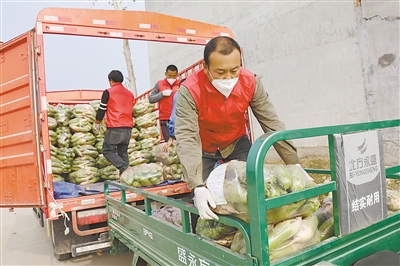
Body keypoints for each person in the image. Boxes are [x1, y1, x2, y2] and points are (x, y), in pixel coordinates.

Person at [174, 36, 300, 220]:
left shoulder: (250, 83)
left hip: (236, 141)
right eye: (220, 72)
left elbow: (271, 122)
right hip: (204, 147)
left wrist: (293, 162)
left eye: (234, 70)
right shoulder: (190, 90)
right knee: (206, 201)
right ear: (206, 68)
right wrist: (197, 186)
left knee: (256, 189)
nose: (229, 78)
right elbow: (187, 137)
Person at [93, 70, 135, 176]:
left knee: (107, 150)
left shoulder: (108, 92)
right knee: (122, 153)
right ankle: (126, 178)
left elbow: (102, 108)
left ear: (111, 80)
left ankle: (125, 168)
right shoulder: (130, 94)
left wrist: (97, 122)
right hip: (128, 127)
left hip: (115, 126)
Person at [149, 65, 180, 142]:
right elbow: (151, 99)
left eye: (174, 76)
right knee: (169, 145)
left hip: (179, 118)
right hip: (165, 119)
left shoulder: (180, 84)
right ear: (165, 74)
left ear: (177, 74)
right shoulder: (160, 84)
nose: (172, 78)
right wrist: (161, 94)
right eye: (169, 76)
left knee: (180, 143)